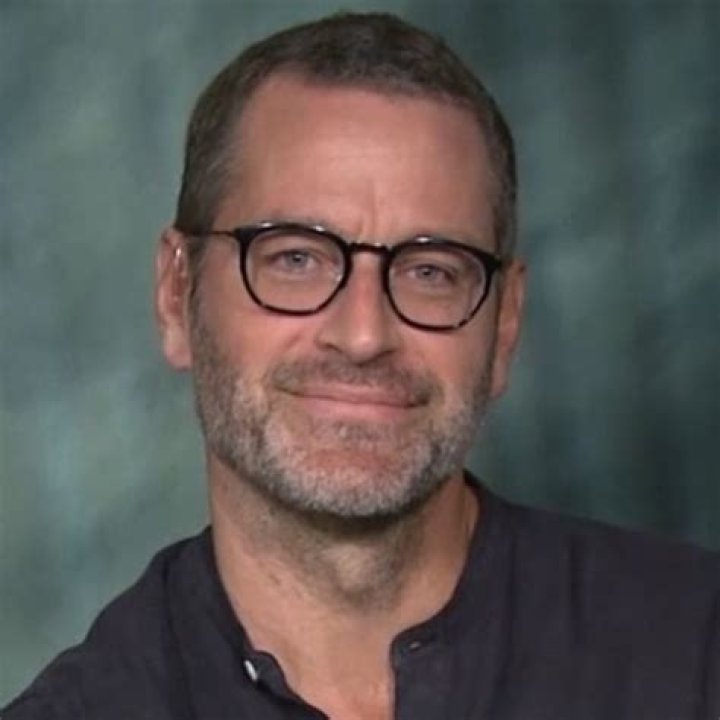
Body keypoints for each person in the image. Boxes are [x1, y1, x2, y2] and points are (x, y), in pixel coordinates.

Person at [4, 11, 719, 720]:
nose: (364, 334)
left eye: (431, 271)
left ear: (504, 323)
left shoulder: (694, 651)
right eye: (295, 259)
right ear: (176, 294)